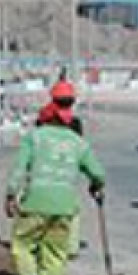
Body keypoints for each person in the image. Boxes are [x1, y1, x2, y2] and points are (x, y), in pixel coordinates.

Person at [5, 100, 105, 275]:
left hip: (35, 203)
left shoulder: (34, 137)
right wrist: (97, 186)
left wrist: (11, 194)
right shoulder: (79, 142)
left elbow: (19, 170)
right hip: (64, 207)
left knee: (22, 245)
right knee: (56, 252)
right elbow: (98, 173)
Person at [49, 79, 84, 257]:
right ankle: (70, 247)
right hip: (68, 172)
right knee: (72, 210)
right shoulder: (76, 123)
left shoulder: (46, 120)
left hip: (43, 171)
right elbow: (80, 148)